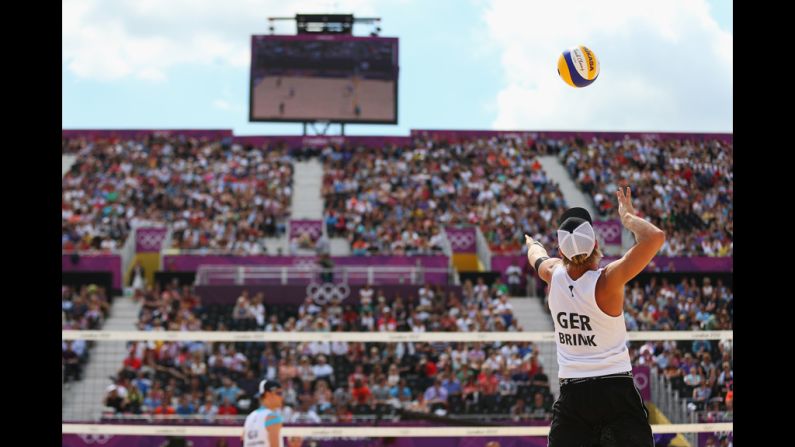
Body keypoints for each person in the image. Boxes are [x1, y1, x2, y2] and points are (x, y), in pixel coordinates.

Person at [524, 187, 664, 446]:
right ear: (596, 244)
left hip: (573, 397)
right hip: (616, 391)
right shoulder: (608, 280)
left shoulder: (552, 274)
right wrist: (627, 218)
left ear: (561, 252)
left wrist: (532, 243)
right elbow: (655, 237)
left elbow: (537, 257)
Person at [242, 380, 293, 447]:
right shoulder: (272, 417)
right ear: (268, 394)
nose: (282, 397)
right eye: (279, 393)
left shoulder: (250, 417)